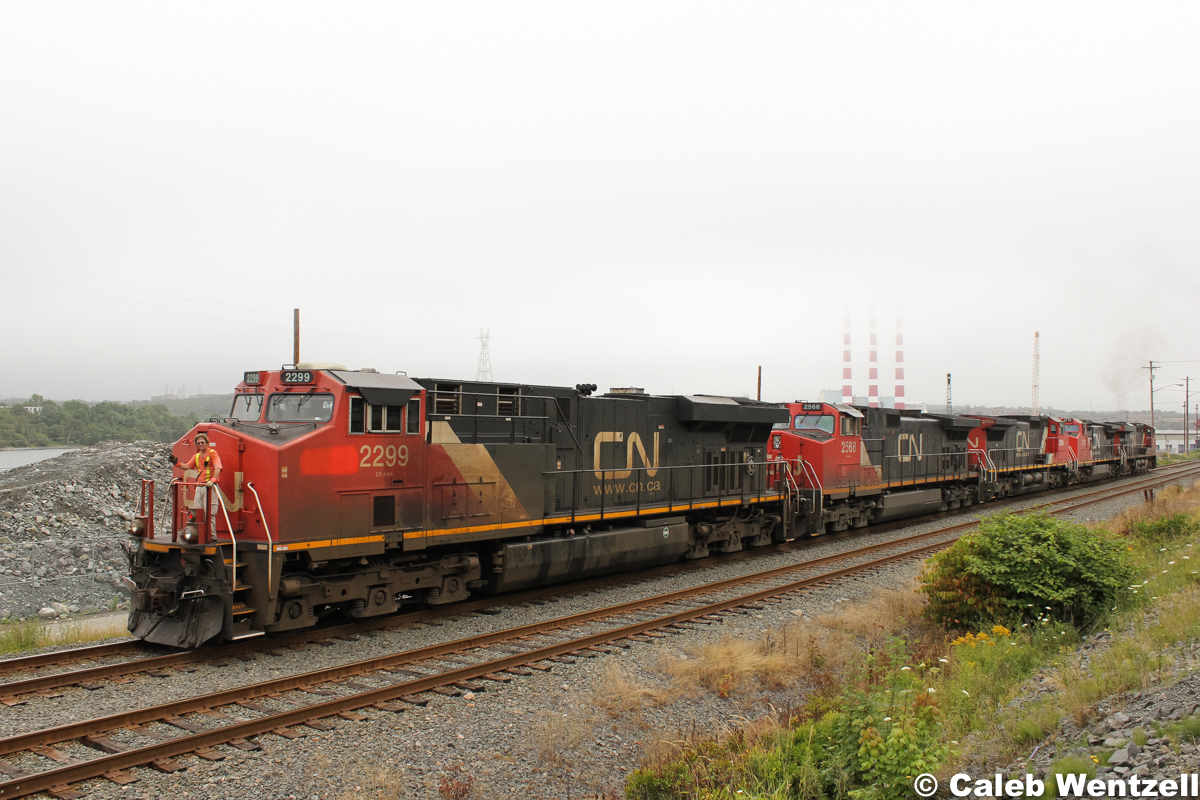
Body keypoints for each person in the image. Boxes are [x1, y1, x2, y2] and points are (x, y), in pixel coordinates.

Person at [171, 432, 223, 519]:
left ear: (207, 443)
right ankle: (200, 532)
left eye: (202, 442)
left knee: (210, 514)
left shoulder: (213, 453)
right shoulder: (197, 456)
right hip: (199, 487)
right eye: (198, 443)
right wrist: (177, 464)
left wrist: (212, 480)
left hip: (209, 486)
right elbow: (188, 466)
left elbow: (218, 467)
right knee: (197, 513)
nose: (200, 444)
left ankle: (211, 533)